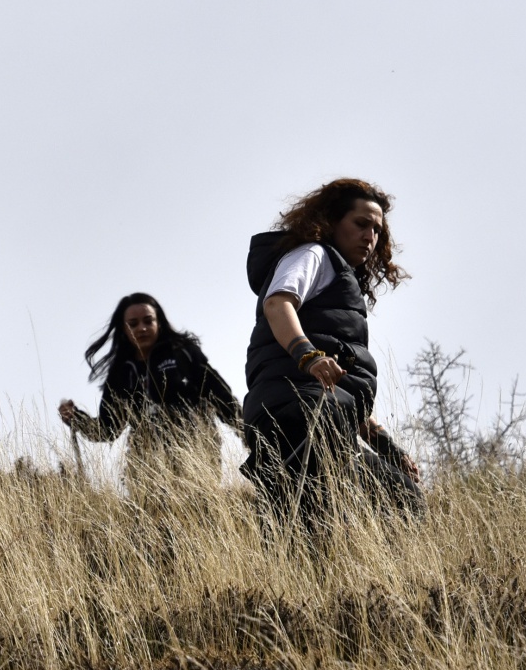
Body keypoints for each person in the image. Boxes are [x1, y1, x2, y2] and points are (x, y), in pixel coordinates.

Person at [239, 177, 422, 527]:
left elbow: (337, 385)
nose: (370, 236)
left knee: (402, 497)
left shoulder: (339, 282)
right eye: (361, 224)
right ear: (331, 221)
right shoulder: (313, 254)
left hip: (323, 411)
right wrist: (308, 355)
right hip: (298, 410)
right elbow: (278, 304)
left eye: (377, 230)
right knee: (307, 525)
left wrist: (386, 446)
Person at [58, 293, 241, 479]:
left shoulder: (183, 353)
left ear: (159, 322)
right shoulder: (121, 372)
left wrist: (247, 432)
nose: (142, 328)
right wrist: (76, 418)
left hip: (196, 454)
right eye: (133, 324)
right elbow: (108, 429)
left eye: (148, 321)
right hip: (145, 464)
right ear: (124, 329)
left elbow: (222, 398)